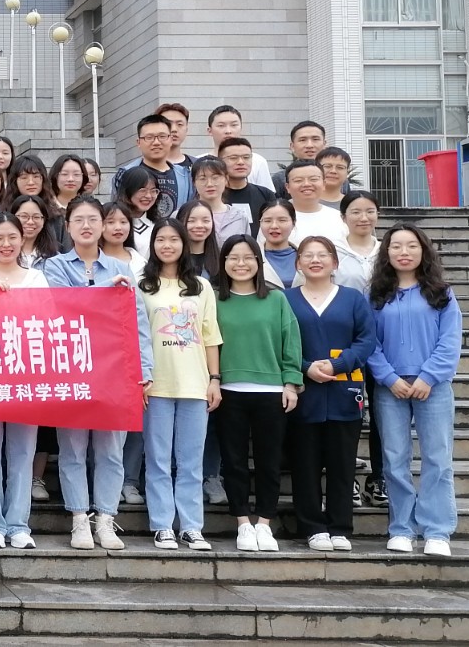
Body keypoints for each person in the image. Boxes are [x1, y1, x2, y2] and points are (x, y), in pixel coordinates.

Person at [41, 196, 154, 551]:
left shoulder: (120, 268)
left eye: (93, 219)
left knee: (110, 450)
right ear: (68, 226)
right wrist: (106, 291)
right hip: (72, 368)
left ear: (104, 226)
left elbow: (138, 323)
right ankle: (79, 519)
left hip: (114, 371)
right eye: (79, 219)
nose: (86, 225)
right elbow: (66, 305)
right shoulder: (55, 266)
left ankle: (105, 518)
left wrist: (145, 371)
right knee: (73, 449)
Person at [368, 224, 462, 557]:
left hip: (432, 387)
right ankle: (402, 528)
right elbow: (369, 342)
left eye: (411, 246)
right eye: (396, 246)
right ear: (386, 252)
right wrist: (389, 377)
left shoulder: (441, 293)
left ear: (423, 251)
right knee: (394, 459)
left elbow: (450, 340)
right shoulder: (376, 295)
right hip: (390, 387)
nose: (403, 252)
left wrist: (428, 376)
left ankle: (437, 530)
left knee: (437, 457)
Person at [286, 236, 377, 553]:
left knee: (342, 464)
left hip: (344, 391)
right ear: (298, 263)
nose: (315, 260)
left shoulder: (352, 299)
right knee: (305, 463)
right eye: (307, 255)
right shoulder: (285, 299)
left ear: (335, 262)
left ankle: (340, 527)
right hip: (303, 392)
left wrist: (339, 364)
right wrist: (305, 367)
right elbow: (278, 342)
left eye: (322, 255)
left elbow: (366, 340)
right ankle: (312, 527)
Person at [213, 234, 303, 552]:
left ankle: (264, 523)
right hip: (228, 391)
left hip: (271, 391)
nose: (241, 264)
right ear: (223, 262)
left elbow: (291, 342)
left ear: (258, 262)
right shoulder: (214, 299)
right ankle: (242, 522)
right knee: (234, 461)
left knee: (269, 461)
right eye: (233, 258)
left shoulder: (277, 299)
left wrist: (291, 382)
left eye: (248, 257)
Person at [137, 220, 221, 551]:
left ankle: (191, 526)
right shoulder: (142, 285)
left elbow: (210, 336)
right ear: (153, 245)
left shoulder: (201, 286)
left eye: (174, 239)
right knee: (158, 459)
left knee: (190, 461)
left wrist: (214, 379)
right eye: (161, 239)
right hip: (155, 385)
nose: (167, 245)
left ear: (184, 245)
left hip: (194, 385)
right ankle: (162, 525)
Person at [0, 212, 49, 550]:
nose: (6, 244)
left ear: (22, 240)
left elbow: (47, 324)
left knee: (23, 452)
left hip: (26, 376)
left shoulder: (36, 279)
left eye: (12, 237)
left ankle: (18, 524)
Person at [333, 190, 387, 508]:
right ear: (343, 217)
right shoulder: (335, 252)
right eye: (355, 211)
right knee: (349, 412)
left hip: (384, 344)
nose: (363, 217)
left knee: (381, 413)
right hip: (346, 343)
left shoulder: (388, 251)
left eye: (369, 211)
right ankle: (348, 478)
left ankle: (378, 478)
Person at [111, 115, 194, 219]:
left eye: (162, 136)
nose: (156, 142)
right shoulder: (125, 174)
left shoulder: (185, 175)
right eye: (149, 137)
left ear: (171, 139)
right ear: (138, 142)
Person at [205, 106, 274, 190]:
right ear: (209, 131)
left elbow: (267, 195)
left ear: (241, 128)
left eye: (234, 125)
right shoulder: (199, 162)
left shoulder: (258, 161)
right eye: (221, 126)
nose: (228, 131)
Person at [219, 137, 275, 237]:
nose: (241, 162)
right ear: (220, 161)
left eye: (246, 157)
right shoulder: (214, 195)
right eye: (233, 158)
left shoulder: (266, 194)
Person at [284, 159, 346, 245]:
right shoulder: (275, 219)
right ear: (287, 187)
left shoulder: (340, 219)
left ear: (324, 184)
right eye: (298, 180)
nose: (306, 184)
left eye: (313, 179)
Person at [191, 156, 249, 243]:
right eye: (203, 179)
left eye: (215, 178)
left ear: (226, 179)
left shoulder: (239, 217)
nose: (209, 184)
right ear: (194, 183)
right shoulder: (183, 215)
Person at [273, 120, 331, 197]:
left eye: (315, 139)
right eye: (302, 140)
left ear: (324, 144)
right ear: (292, 146)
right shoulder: (280, 179)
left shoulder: (335, 177)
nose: (309, 145)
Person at [115, 166, 160, 258]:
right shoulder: (113, 224)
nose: (148, 196)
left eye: (153, 191)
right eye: (142, 190)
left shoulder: (159, 225)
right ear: (128, 191)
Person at [259, 199, 300, 288]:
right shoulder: (252, 257)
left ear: (293, 223)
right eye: (267, 221)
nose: (274, 226)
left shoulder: (306, 256)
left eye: (282, 220)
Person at [9, 195, 59, 269]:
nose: (30, 222)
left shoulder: (55, 258)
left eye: (36, 217)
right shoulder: (1, 252)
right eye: (24, 216)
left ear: (44, 220)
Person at [177, 200, 221, 281]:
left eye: (206, 221)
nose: (199, 226)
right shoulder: (172, 259)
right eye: (191, 221)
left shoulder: (221, 259)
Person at [100, 201, 145, 270]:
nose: (118, 227)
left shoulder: (141, 264)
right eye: (111, 222)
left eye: (123, 222)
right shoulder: (90, 261)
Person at [156, 102, 195, 169]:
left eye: (179, 124)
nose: (174, 129)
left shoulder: (198, 166)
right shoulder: (141, 167)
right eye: (168, 124)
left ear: (186, 129)